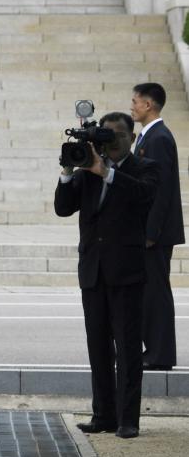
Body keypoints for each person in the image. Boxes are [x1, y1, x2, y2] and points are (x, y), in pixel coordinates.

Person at [55, 112, 158, 439]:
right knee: (97, 347)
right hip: (93, 271)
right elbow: (63, 208)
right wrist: (69, 172)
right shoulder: (88, 168)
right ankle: (103, 414)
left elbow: (144, 197)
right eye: (105, 135)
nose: (110, 140)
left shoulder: (145, 167)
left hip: (126, 272)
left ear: (131, 137)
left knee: (128, 350)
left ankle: (128, 419)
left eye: (116, 135)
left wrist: (108, 173)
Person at [131, 82, 181, 370]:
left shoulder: (159, 138)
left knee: (157, 294)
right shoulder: (147, 136)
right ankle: (152, 350)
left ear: (148, 105)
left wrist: (151, 232)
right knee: (149, 293)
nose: (132, 106)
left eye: (135, 101)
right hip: (151, 231)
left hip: (156, 234)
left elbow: (161, 190)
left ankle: (160, 355)